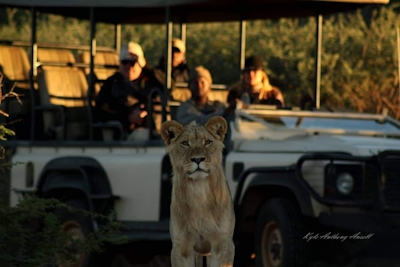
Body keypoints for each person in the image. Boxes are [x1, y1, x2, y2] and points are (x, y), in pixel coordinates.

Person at [94, 41, 165, 139]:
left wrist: (147, 66)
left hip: (154, 127)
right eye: (124, 62)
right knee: (149, 137)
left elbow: (170, 87)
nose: (128, 67)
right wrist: (128, 117)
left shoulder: (151, 80)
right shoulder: (111, 83)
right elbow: (99, 112)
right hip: (124, 133)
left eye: (132, 62)